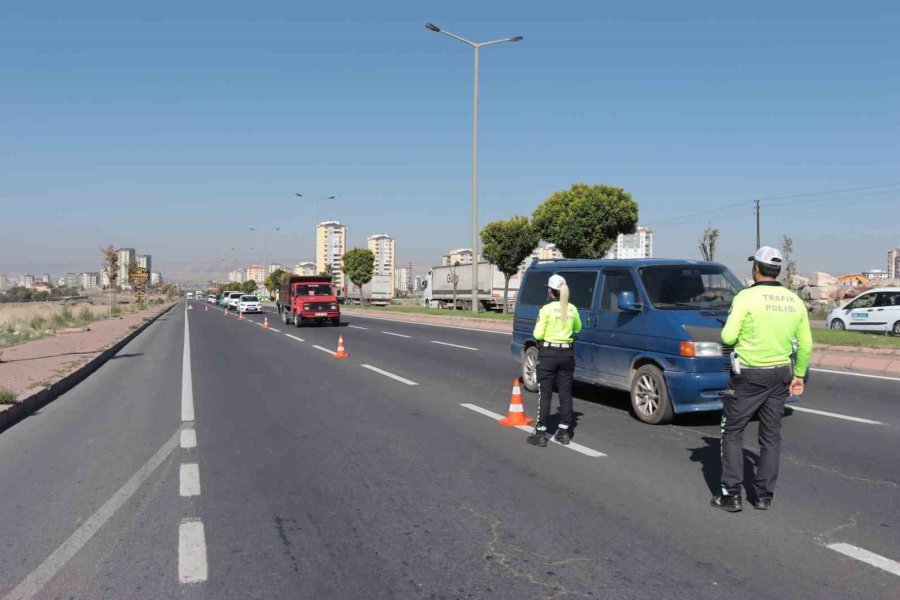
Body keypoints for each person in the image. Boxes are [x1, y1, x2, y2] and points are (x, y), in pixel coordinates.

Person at [711, 246, 812, 512]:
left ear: (756, 269)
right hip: (781, 374)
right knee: (770, 436)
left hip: (749, 375)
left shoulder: (746, 298)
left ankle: (731, 495)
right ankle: (764, 496)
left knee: (732, 432)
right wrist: (799, 374)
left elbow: (727, 337)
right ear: (777, 270)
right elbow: (806, 345)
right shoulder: (794, 300)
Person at [528, 274, 582, 447]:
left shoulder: (546, 309)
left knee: (545, 394)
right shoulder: (572, 309)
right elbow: (578, 328)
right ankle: (564, 432)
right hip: (567, 355)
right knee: (565, 393)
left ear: (551, 291)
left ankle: (540, 433)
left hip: (548, 354)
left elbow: (537, 334)